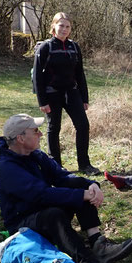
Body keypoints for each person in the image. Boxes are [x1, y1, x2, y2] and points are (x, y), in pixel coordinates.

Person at [0, 114, 132, 263]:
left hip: (45, 210)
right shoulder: (5, 168)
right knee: (56, 214)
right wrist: (81, 195)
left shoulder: (35, 155)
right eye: (35, 131)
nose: (40, 134)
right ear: (20, 138)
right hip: (23, 226)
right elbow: (40, 195)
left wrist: (89, 185)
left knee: (77, 188)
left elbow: (62, 177)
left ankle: (98, 244)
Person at [32, 12, 99, 175]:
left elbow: (80, 74)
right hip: (52, 93)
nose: (64, 29)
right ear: (54, 26)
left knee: (83, 125)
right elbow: (37, 76)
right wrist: (42, 101)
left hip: (72, 92)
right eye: (61, 25)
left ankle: (84, 164)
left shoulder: (74, 47)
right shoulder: (45, 47)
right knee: (54, 127)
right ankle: (56, 166)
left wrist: (84, 98)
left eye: (67, 26)